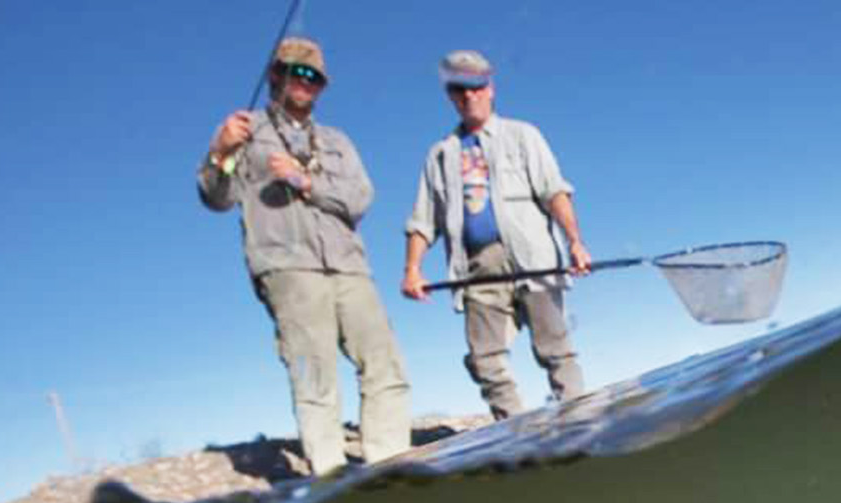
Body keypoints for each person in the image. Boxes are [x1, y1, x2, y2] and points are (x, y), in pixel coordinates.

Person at [197, 37, 410, 475]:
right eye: (296, 72)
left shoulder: (337, 140)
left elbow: (360, 198)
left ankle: (390, 467)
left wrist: (304, 182)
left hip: (349, 265)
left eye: (313, 77)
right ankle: (331, 477)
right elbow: (216, 198)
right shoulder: (244, 132)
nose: (304, 83)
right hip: (288, 268)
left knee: (384, 363)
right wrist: (220, 152)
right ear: (275, 74)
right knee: (314, 374)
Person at [400, 49, 590, 421]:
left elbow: (554, 191)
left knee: (555, 348)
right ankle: (516, 432)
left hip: (533, 256)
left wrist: (575, 242)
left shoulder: (523, 135)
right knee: (485, 360)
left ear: (490, 88)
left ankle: (578, 421)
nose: (469, 96)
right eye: (459, 89)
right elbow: (423, 220)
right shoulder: (440, 154)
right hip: (476, 266)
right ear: (451, 96)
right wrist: (412, 269)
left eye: (475, 86)